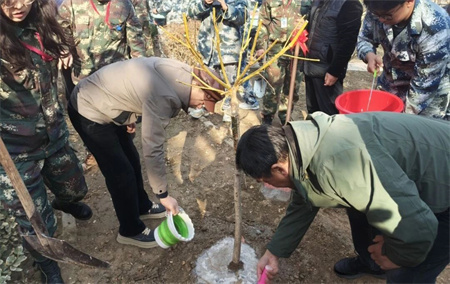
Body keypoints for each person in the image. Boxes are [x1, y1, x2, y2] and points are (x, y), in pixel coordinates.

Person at [236, 112, 450, 283]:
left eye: (266, 180)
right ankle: (371, 263)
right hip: (412, 178)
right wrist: (274, 251)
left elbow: (417, 228)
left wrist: (393, 255)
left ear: (280, 170)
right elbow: (306, 196)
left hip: (442, 185)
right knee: (357, 206)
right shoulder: (300, 146)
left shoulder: (339, 165)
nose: (268, 185)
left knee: (408, 274)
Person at [67, 57, 225, 248]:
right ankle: (130, 230)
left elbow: (134, 88)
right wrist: (163, 194)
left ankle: (142, 206)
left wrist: (128, 114)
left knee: (132, 159)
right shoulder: (165, 96)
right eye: (203, 101)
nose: (201, 107)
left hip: (108, 103)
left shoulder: (184, 75)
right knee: (120, 174)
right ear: (198, 87)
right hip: (88, 109)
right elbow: (153, 146)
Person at [0, 0, 92, 282]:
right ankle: (47, 264)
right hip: (15, 149)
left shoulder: (44, 22)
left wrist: (64, 49)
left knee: (76, 189)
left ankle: (65, 201)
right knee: (34, 219)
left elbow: (64, 54)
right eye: (8, 0)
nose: (18, 6)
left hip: (53, 133)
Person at [357, 0, 450, 120]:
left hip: (427, 99)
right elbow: (365, 38)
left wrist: (403, 121)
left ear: (409, 2)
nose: (380, 20)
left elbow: (423, 88)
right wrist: (368, 54)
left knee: (414, 134)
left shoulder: (435, 27)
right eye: (376, 15)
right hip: (391, 87)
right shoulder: (378, 7)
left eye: (387, 16)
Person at [58, 0, 146, 97]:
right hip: (83, 82)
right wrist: (64, 48)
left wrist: (140, 75)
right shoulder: (71, 4)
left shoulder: (124, 5)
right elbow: (59, 30)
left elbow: (136, 43)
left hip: (116, 81)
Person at [188, 0, 250, 120]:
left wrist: (224, 6)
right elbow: (191, 12)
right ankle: (203, 106)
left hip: (228, 49)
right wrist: (205, 4)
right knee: (206, 80)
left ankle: (228, 110)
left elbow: (243, 17)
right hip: (207, 48)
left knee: (229, 81)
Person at [303, 0, 363, 115]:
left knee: (329, 114)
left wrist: (335, 71)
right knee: (313, 112)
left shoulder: (349, 4)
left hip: (327, 71)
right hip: (310, 66)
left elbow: (348, 42)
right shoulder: (317, 2)